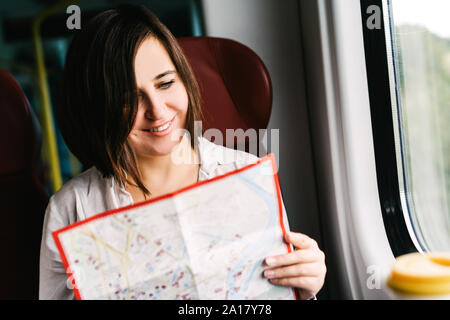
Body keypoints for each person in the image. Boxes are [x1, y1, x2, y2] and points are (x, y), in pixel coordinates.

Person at [39, 4, 326, 300]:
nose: (157, 111)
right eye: (129, 100)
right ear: (100, 110)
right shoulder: (72, 209)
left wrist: (304, 289)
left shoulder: (246, 176)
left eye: (165, 84)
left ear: (185, 80)